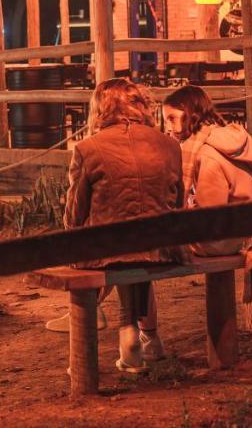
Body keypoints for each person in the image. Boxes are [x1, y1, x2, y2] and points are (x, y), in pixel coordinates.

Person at [64, 78, 183, 374]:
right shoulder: (169, 145)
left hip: (109, 248)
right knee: (138, 244)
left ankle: (123, 335)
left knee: (114, 246)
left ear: (100, 109)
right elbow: (176, 200)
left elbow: (75, 213)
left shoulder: (88, 148)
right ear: (141, 104)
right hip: (161, 244)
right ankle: (145, 338)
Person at [162, 86, 252, 253]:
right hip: (246, 229)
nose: (168, 128)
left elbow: (210, 214)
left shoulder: (205, 154)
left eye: (172, 118)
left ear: (190, 113)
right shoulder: (224, 138)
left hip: (222, 238)